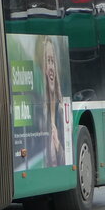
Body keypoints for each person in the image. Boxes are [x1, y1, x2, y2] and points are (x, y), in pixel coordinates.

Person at [39, 35, 65, 167]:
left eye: (53, 61)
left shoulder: (63, 111)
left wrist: (58, 146)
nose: (51, 68)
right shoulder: (41, 116)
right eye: (48, 61)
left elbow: (67, 157)